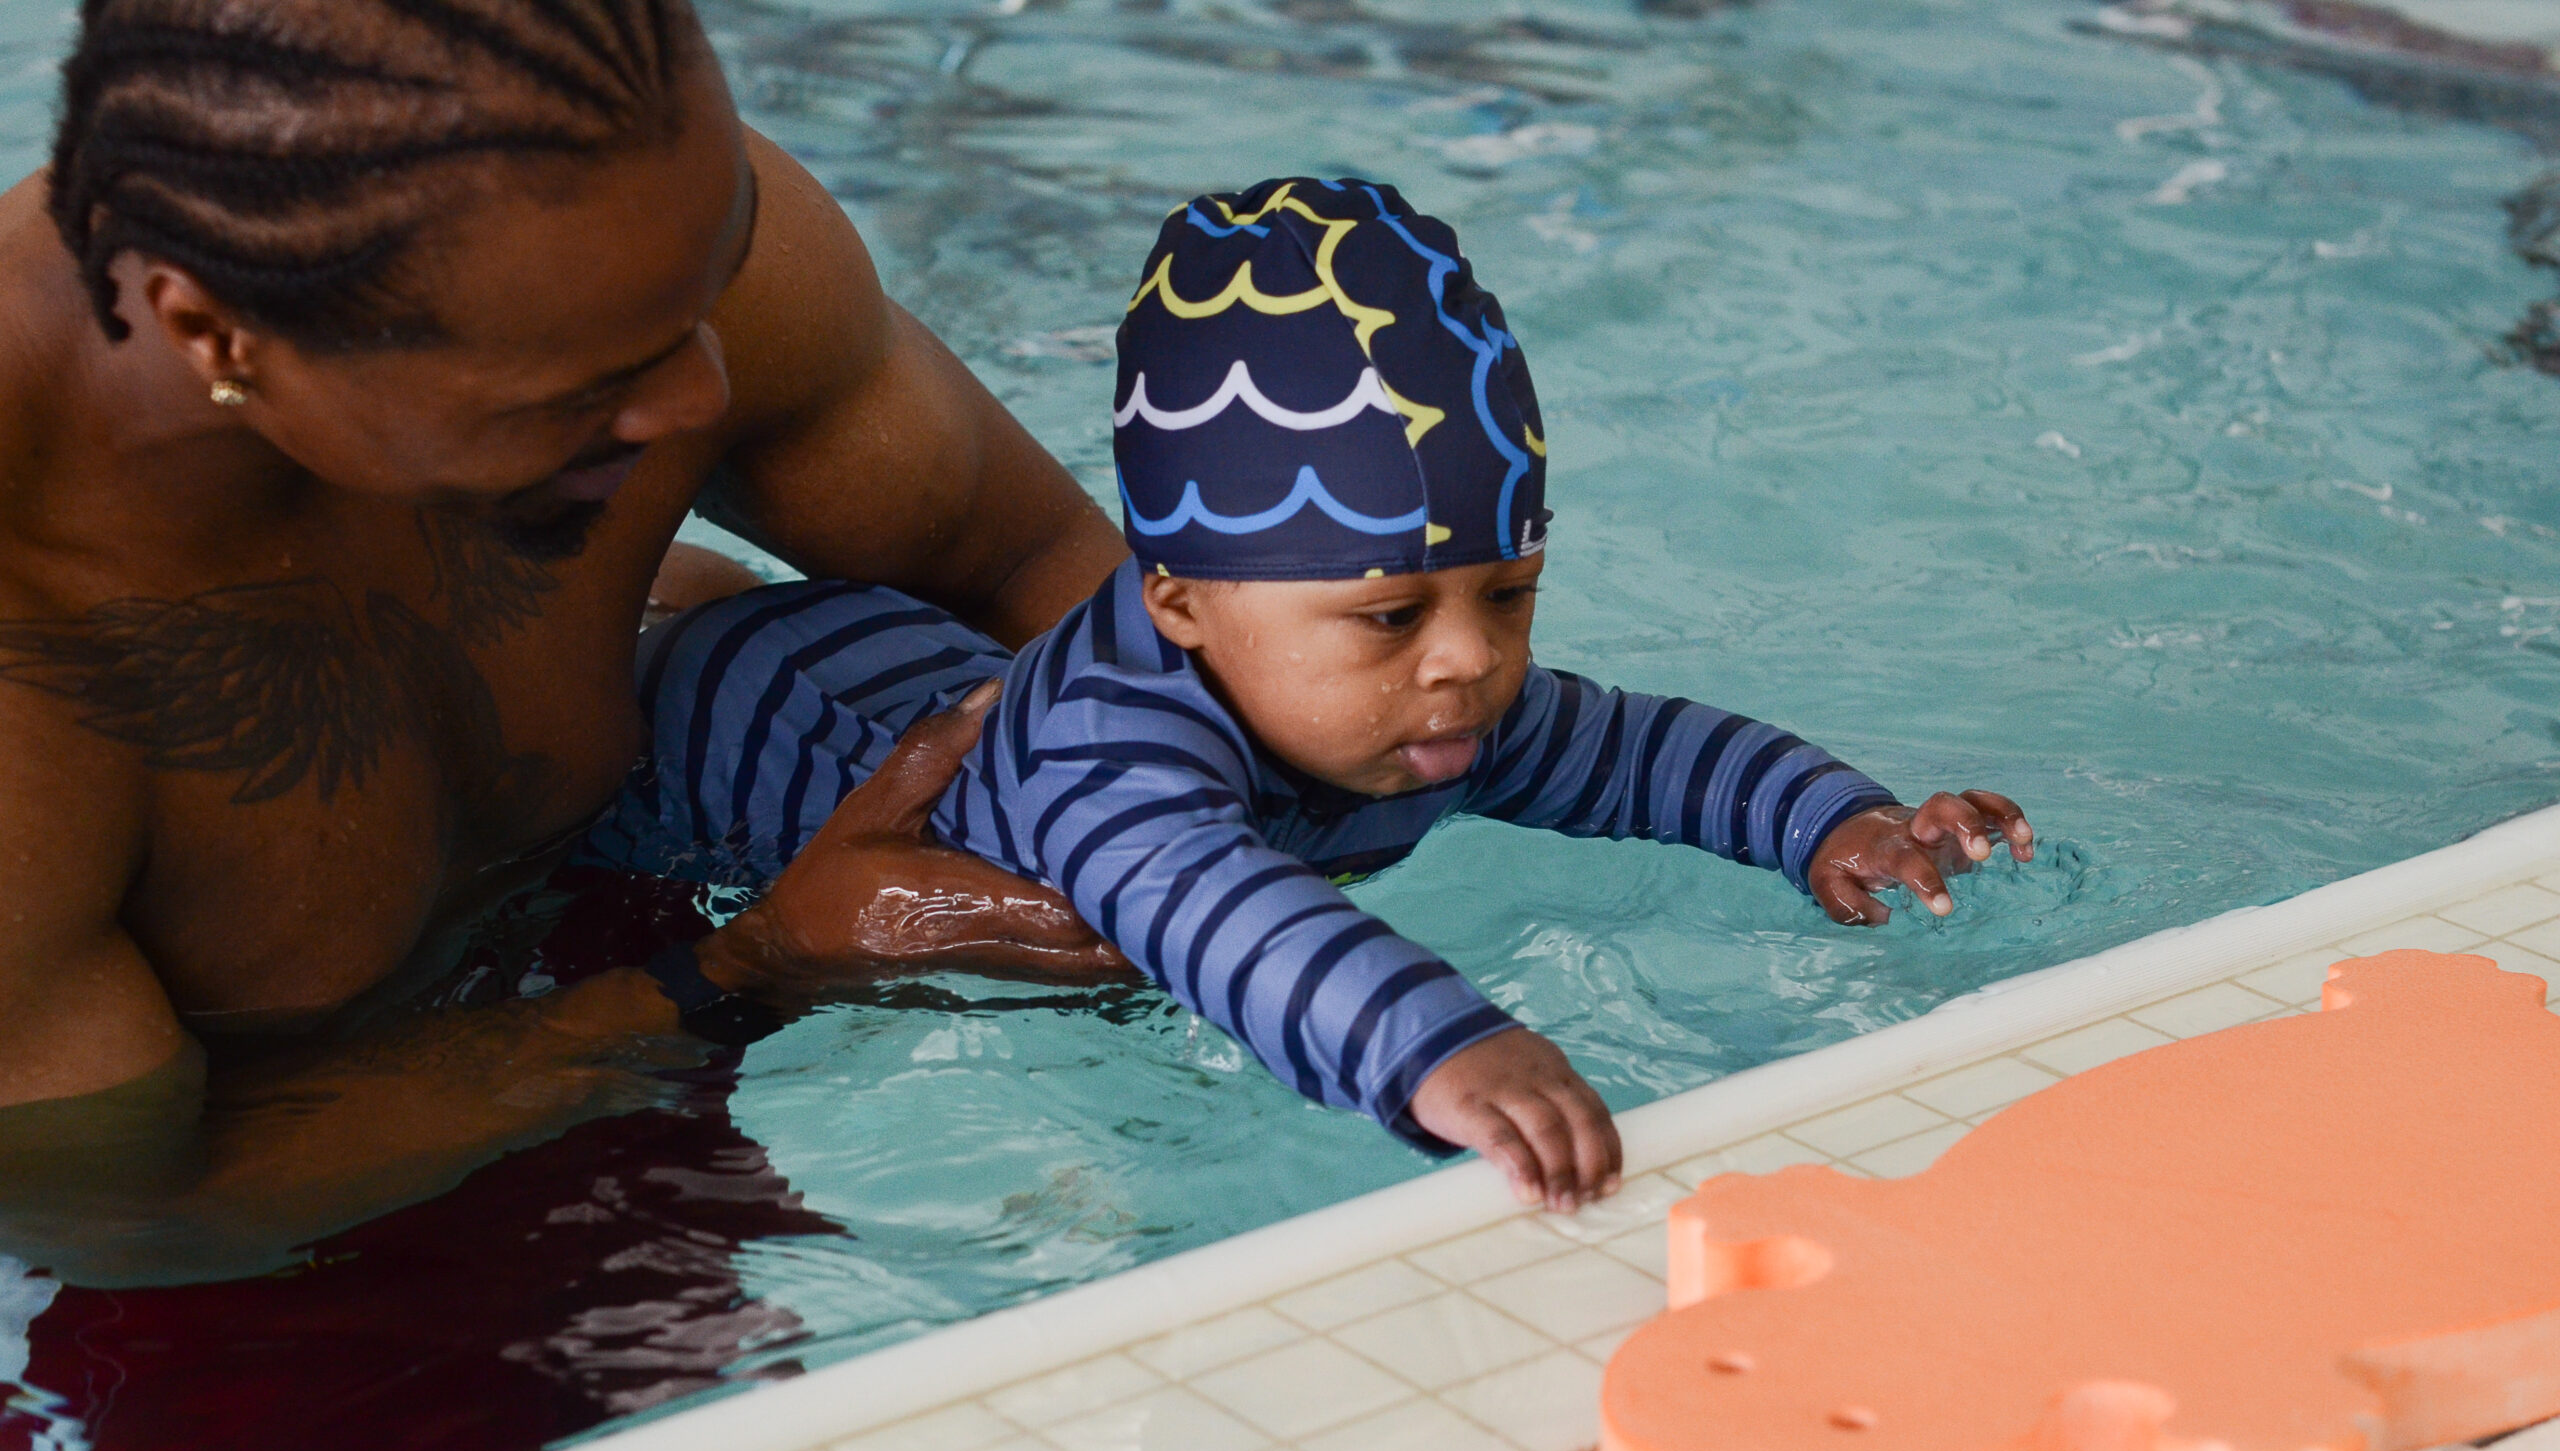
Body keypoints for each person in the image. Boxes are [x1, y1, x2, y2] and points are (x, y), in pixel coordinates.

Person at [604, 179, 2038, 1213]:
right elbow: (1216, 911)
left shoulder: (1407, 694)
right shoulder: (1115, 768)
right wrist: (1441, 1043)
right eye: (1391, 614)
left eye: (1510, 593)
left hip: (906, 663)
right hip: (714, 741)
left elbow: (1644, 752)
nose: (1466, 658)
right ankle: (681, 596)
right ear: (1178, 604)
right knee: (649, 668)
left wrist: (1835, 824)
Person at [0, 0, 1135, 1287]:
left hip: (633, 955)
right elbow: (136, 1214)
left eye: (714, 286)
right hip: (291, 1275)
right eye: (581, 389)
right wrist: (750, 965)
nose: (705, 393)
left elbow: (1038, 570)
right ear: (218, 339)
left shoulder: (625, 224)